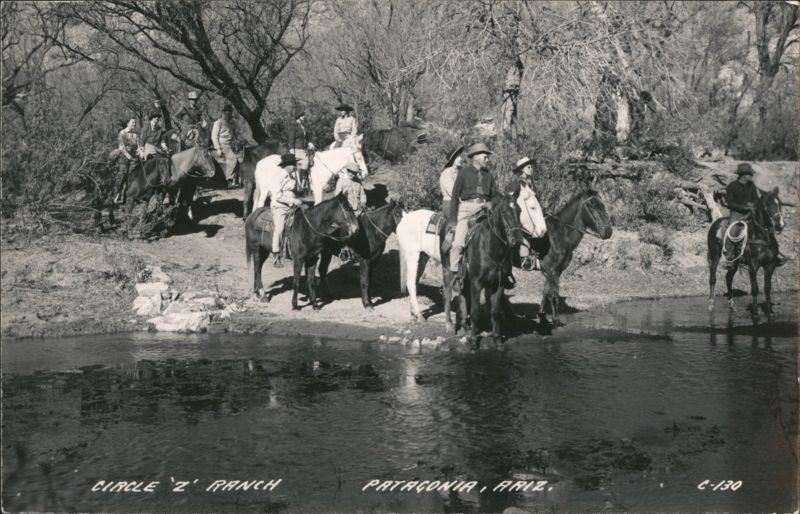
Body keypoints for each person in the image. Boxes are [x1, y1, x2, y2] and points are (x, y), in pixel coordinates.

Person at [448, 143, 498, 291]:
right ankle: (455, 274)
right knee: (457, 244)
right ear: (476, 157)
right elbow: (455, 196)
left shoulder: (489, 175)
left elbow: (495, 195)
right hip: (467, 209)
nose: (487, 159)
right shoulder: (464, 173)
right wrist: (452, 220)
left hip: (484, 209)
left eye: (488, 156)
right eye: (485, 156)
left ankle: (502, 272)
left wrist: (491, 203)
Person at [719, 162, 787, 267]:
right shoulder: (731, 187)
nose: (752, 176)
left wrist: (755, 205)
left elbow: (755, 199)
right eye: (750, 174)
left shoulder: (752, 186)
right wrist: (745, 207)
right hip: (737, 213)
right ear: (743, 175)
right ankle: (730, 257)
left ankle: (774, 253)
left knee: (767, 227)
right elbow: (730, 203)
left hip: (751, 212)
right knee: (733, 229)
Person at [509, 156, 545, 271]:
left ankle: (539, 256)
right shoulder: (517, 184)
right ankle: (524, 259)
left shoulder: (531, 183)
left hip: (532, 215)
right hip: (520, 216)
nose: (531, 169)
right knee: (525, 232)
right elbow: (510, 200)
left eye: (531, 167)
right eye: (528, 167)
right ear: (522, 169)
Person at [270, 154, 304, 268]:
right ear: (288, 165)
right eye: (294, 164)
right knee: (279, 228)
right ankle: (276, 253)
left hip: (292, 205)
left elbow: (293, 191)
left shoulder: (292, 177)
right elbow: (277, 196)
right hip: (280, 206)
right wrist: (294, 201)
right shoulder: (277, 176)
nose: (295, 166)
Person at [212, 104, 239, 186]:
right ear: (223, 113)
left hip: (230, 144)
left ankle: (236, 179)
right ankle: (228, 180)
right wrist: (218, 148)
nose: (229, 114)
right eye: (227, 112)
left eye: (230, 112)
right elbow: (214, 136)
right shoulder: (218, 122)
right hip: (223, 144)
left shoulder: (230, 123)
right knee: (233, 159)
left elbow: (233, 135)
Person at [114, 118, 139, 204]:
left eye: (135, 122)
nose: (134, 124)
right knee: (121, 177)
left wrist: (139, 152)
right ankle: (116, 195)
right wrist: (128, 156)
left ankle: (127, 197)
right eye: (132, 122)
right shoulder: (123, 133)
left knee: (132, 177)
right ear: (128, 123)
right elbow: (121, 146)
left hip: (134, 157)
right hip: (124, 157)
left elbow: (138, 146)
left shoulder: (136, 134)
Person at [287, 110, 314, 190]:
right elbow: (291, 139)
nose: (304, 117)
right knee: (306, 163)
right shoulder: (294, 126)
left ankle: (303, 183)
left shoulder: (303, 126)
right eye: (302, 116)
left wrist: (309, 143)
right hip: (297, 149)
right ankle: (302, 184)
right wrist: (292, 150)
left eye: (303, 116)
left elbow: (306, 138)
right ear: (298, 117)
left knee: (308, 163)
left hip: (304, 149)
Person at [439, 146, 464, 218]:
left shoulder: (460, 172)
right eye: (458, 157)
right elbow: (453, 192)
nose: (461, 159)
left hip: (461, 205)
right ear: (452, 159)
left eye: (460, 156)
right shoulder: (447, 173)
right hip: (450, 205)